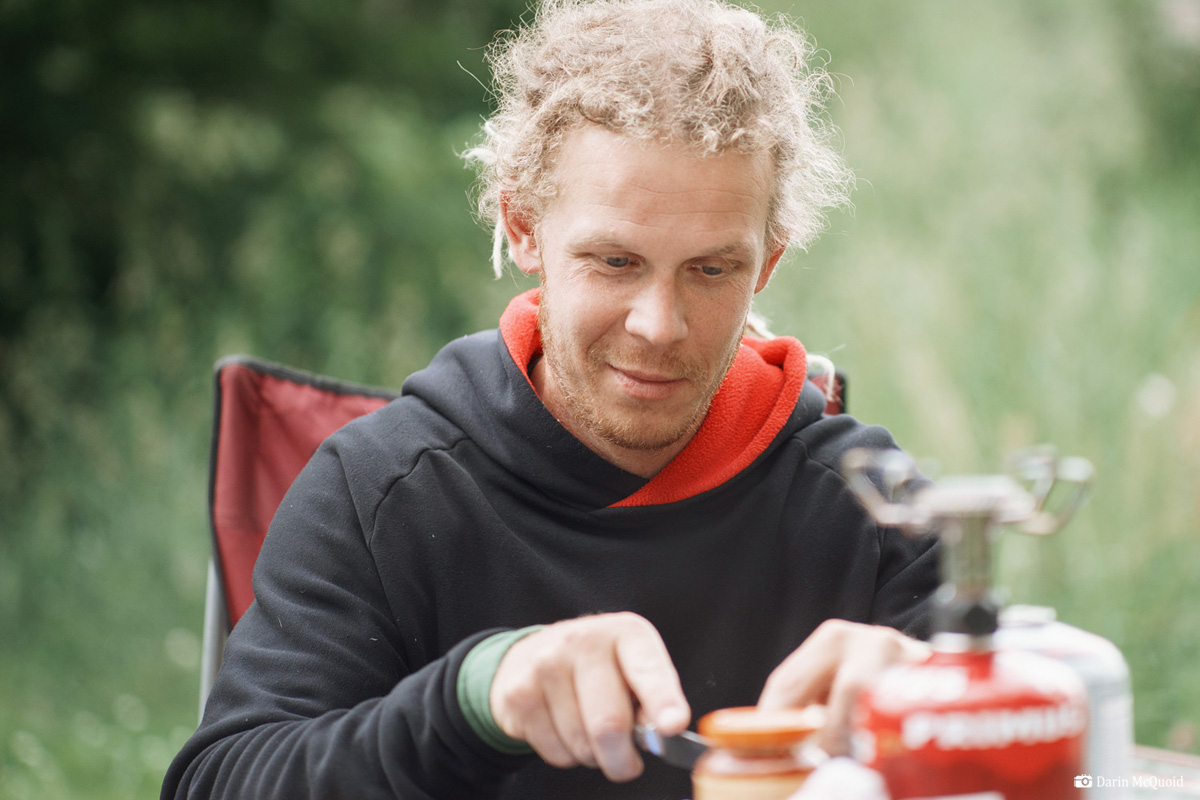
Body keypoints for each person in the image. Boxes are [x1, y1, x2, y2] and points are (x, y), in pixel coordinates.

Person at [162, 1, 939, 798]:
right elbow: (221, 781)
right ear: (523, 225)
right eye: (613, 260)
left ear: (767, 264)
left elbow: (1060, 770)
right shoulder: (381, 490)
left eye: (711, 270)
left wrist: (951, 716)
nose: (659, 325)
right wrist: (475, 698)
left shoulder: (872, 503)